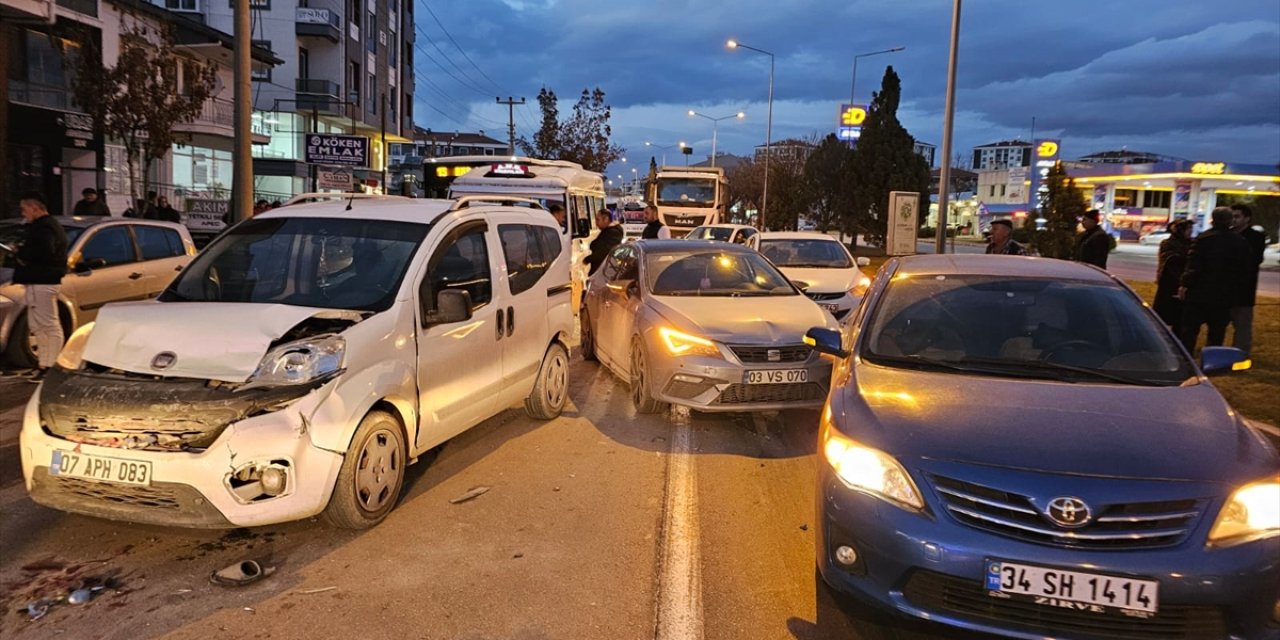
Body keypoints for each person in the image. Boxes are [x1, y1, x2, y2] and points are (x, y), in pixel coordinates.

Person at [1178, 207, 1252, 351]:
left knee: (1190, 330)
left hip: (1199, 292)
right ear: (1229, 221)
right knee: (1217, 332)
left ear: (1212, 220)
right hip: (1224, 295)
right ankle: (1213, 359)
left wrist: (1185, 284)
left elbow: (1194, 266)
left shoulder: (1203, 239)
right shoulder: (1240, 242)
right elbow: (1244, 269)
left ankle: (1186, 359)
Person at [13, 193, 69, 380]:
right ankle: (44, 363)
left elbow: (45, 251)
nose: (23, 213)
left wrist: (22, 252)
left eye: (25, 209)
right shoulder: (46, 226)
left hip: (43, 281)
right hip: (40, 281)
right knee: (38, 325)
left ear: (35, 208)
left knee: (48, 325)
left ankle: (51, 366)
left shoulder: (44, 227)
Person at [1228, 204, 1267, 355]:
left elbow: (1254, 260)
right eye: (1232, 217)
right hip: (1223, 289)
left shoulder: (1256, 238)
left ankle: (1240, 354)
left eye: (1237, 216)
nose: (1234, 220)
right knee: (1217, 324)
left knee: (1242, 325)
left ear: (1247, 218)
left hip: (1243, 289)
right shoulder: (1225, 234)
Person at [1153, 219, 1192, 333]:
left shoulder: (1191, 243)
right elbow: (1170, 260)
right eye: (1188, 229)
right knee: (1166, 315)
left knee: (1181, 318)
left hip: (1184, 283)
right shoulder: (1168, 243)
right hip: (1169, 283)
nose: (1190, 232)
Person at [584, 209, 623, 275]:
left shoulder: (613, 233)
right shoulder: (607, 231)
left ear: (606, 219)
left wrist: (588, 259)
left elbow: (605, 252)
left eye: (598, 220)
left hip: (604, 272)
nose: (596, 223)